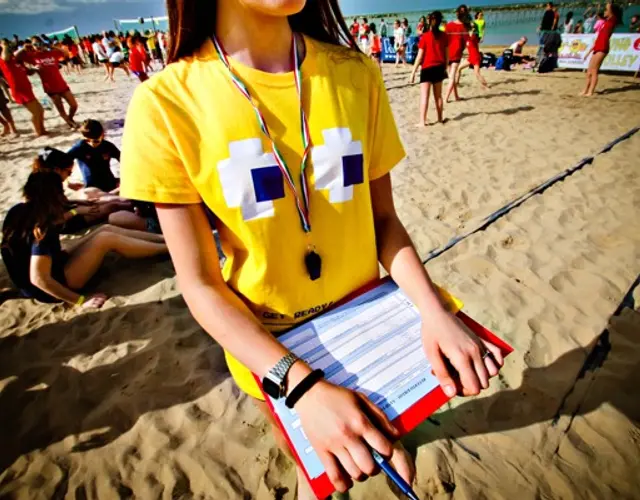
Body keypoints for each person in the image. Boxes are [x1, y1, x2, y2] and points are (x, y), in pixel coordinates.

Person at [120, 1, 505, 499]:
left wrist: (433, 312)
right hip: (270, 348)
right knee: (316, 472)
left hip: (375, 326)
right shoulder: (164, 103)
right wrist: (300, 389)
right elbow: (199, 285)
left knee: (384, 442)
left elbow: (383, 221)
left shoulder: (354, 73)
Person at [1, 171, 167, 307]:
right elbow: (38, 278)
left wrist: (77, 211)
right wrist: (81, 301)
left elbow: (59, 217)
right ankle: (167, 248)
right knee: (105, 239)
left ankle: (164, 239)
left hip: (41, 274)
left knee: (105, 229)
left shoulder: (19, 211)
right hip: (51, 287)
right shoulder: (43, 227)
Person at [18, 37, 79, 129]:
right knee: (61, 109)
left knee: (74, 105)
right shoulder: (32, 56)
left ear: (43, 44)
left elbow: (65, 53)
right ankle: (70, 123)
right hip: (50, 87)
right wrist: (24, 48)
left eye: (39, 44)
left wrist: (52, 46)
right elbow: (17, 57)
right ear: (32, 46)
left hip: (62, 84)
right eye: (35, 44)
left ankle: (70, 118)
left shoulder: (51, 53)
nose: (38, 46)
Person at [0, 39, 46, 136]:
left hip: (27, 89)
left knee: (40, 110)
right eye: (8, 48)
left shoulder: (16, 61)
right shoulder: (4, 61)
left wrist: (35, 69)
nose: (10, 49)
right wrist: (4, 45)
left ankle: (42, 130)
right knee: (36, 112)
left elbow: (28, 72)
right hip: (20, 91)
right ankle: (38, 132)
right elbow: (4, 57)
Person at [410, 11, 448, 125]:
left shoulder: (425, 37)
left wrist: (413, 72)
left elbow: (419, 57)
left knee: (424, 96)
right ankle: (440, 119)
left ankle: (422, 122)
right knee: (438, 96)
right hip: (439, 68)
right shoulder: (444, 36)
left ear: (429, 22)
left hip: (427, 68)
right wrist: (445, 68)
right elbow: (447, 55)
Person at [68, 119, 121, 194]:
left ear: (103, 134)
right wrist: (68, 183)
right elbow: (62, 164)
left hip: (109, 184)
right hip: (91, 187)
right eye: (87, 140)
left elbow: (124, 160)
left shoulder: (107, 146)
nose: (91, 143)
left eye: (95, 141)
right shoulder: (79, 148)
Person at [581, 2, 622, 97]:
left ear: (611, 12)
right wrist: (589, 51)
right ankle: (585, 90)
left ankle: (590, 91)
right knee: (589, 71)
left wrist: (609, 3)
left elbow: (611, 7)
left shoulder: (612, 20)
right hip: (597, 46)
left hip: (603, 47)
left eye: (606, 10)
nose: (604, 11)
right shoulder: (605, 21)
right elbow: (598, 38)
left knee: (594, 70)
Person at [445, 5, 470, 103]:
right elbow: (466, 42)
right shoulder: (464, 27)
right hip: (455, 54)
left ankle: (456, 96)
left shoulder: (449, 25)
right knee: (452, 77)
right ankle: (446, 98)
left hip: (447, 53)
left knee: (452, 76)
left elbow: (444, 41)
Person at [456, 21, 488, 90]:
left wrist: (473, 30)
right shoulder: (467, 36)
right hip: (470, 57)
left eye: (472, 27)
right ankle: (457, 84)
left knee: (477, 73)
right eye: (470, 27)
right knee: (459, 69)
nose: (471, 28)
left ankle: (486, 85)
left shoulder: (474, 36)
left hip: (476, 57)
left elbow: (472, 34)